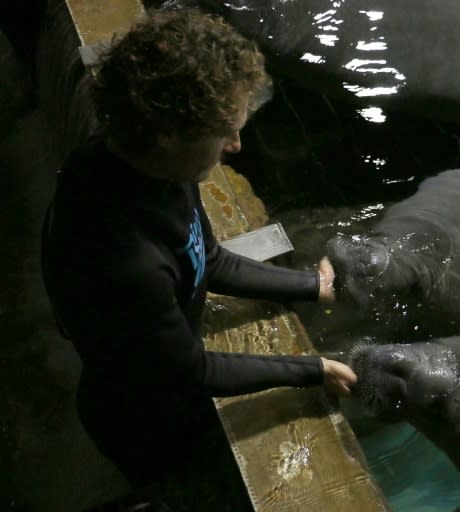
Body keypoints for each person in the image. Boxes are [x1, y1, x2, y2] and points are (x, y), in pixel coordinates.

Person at [40, 7, 357, 507]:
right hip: (145, 423)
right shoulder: (124, 257)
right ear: (169, 132)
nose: (235, 145)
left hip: (165, 382)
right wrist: (310, 368)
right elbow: (193, 372)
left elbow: (208, 258)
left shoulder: (155, 168)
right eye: (226, 131)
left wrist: (311, 286)